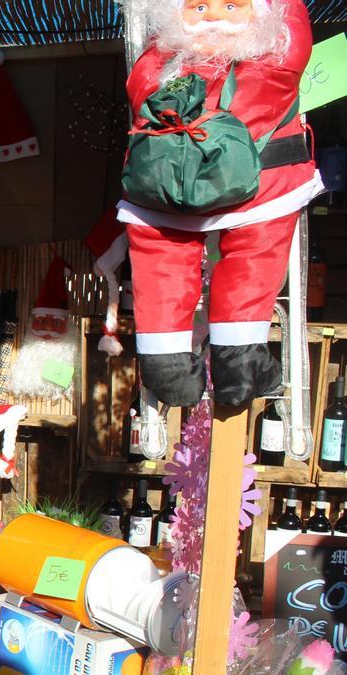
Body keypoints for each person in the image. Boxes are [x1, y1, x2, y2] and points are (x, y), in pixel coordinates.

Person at [118, 0, 322, 407]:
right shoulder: (274, 61)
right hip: (261, 187)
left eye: (230, 5)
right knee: (254, 259)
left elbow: (139, 90)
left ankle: (166, 367)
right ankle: (239, 362)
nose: (213, 17)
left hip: (164, 192)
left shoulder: (159, 67)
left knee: (161, 267)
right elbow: (295, 34)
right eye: (200, 7)